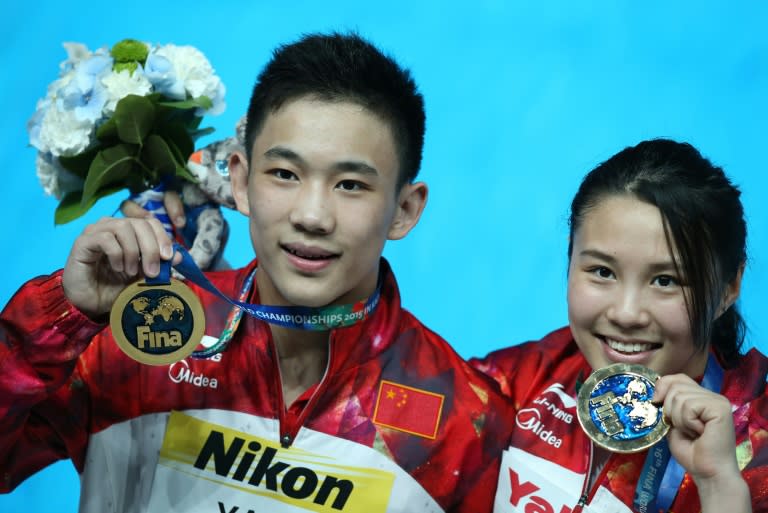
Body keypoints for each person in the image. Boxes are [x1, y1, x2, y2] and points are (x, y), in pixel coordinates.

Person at [0, 32, 511, 512]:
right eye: (285, 174)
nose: (312, 215)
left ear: (404, 209)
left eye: (351, 184)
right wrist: (60, 318)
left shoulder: (464, 420)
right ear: (240, 183)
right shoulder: (131, 336)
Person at [471, 139, 767, 512]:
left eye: (666, 280)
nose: (627, 314)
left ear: (729, 288)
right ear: (570, 258)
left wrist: (720, 486)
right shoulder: (514, 383)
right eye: (602, 271)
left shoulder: (757, 454)